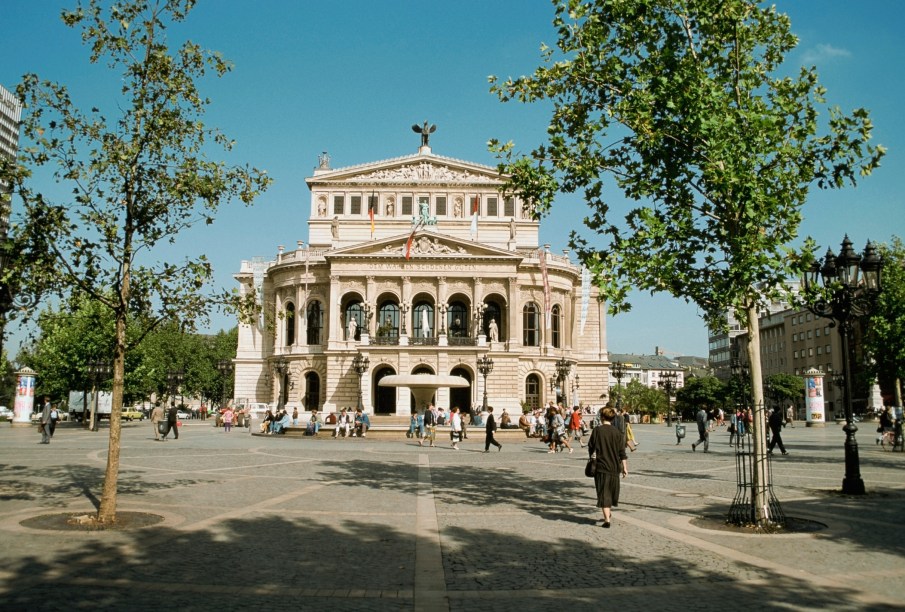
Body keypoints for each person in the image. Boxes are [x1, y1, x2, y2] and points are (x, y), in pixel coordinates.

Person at [587, 406, 628, 528]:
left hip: (601, 467)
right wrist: (625, 468)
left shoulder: (597, 431)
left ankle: (607, 520)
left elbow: (591, 447)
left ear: (601, 417)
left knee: (603, 492)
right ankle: (608, 514)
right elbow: (622, 452)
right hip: (615, 467)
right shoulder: (617, 433)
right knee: (611, 492)